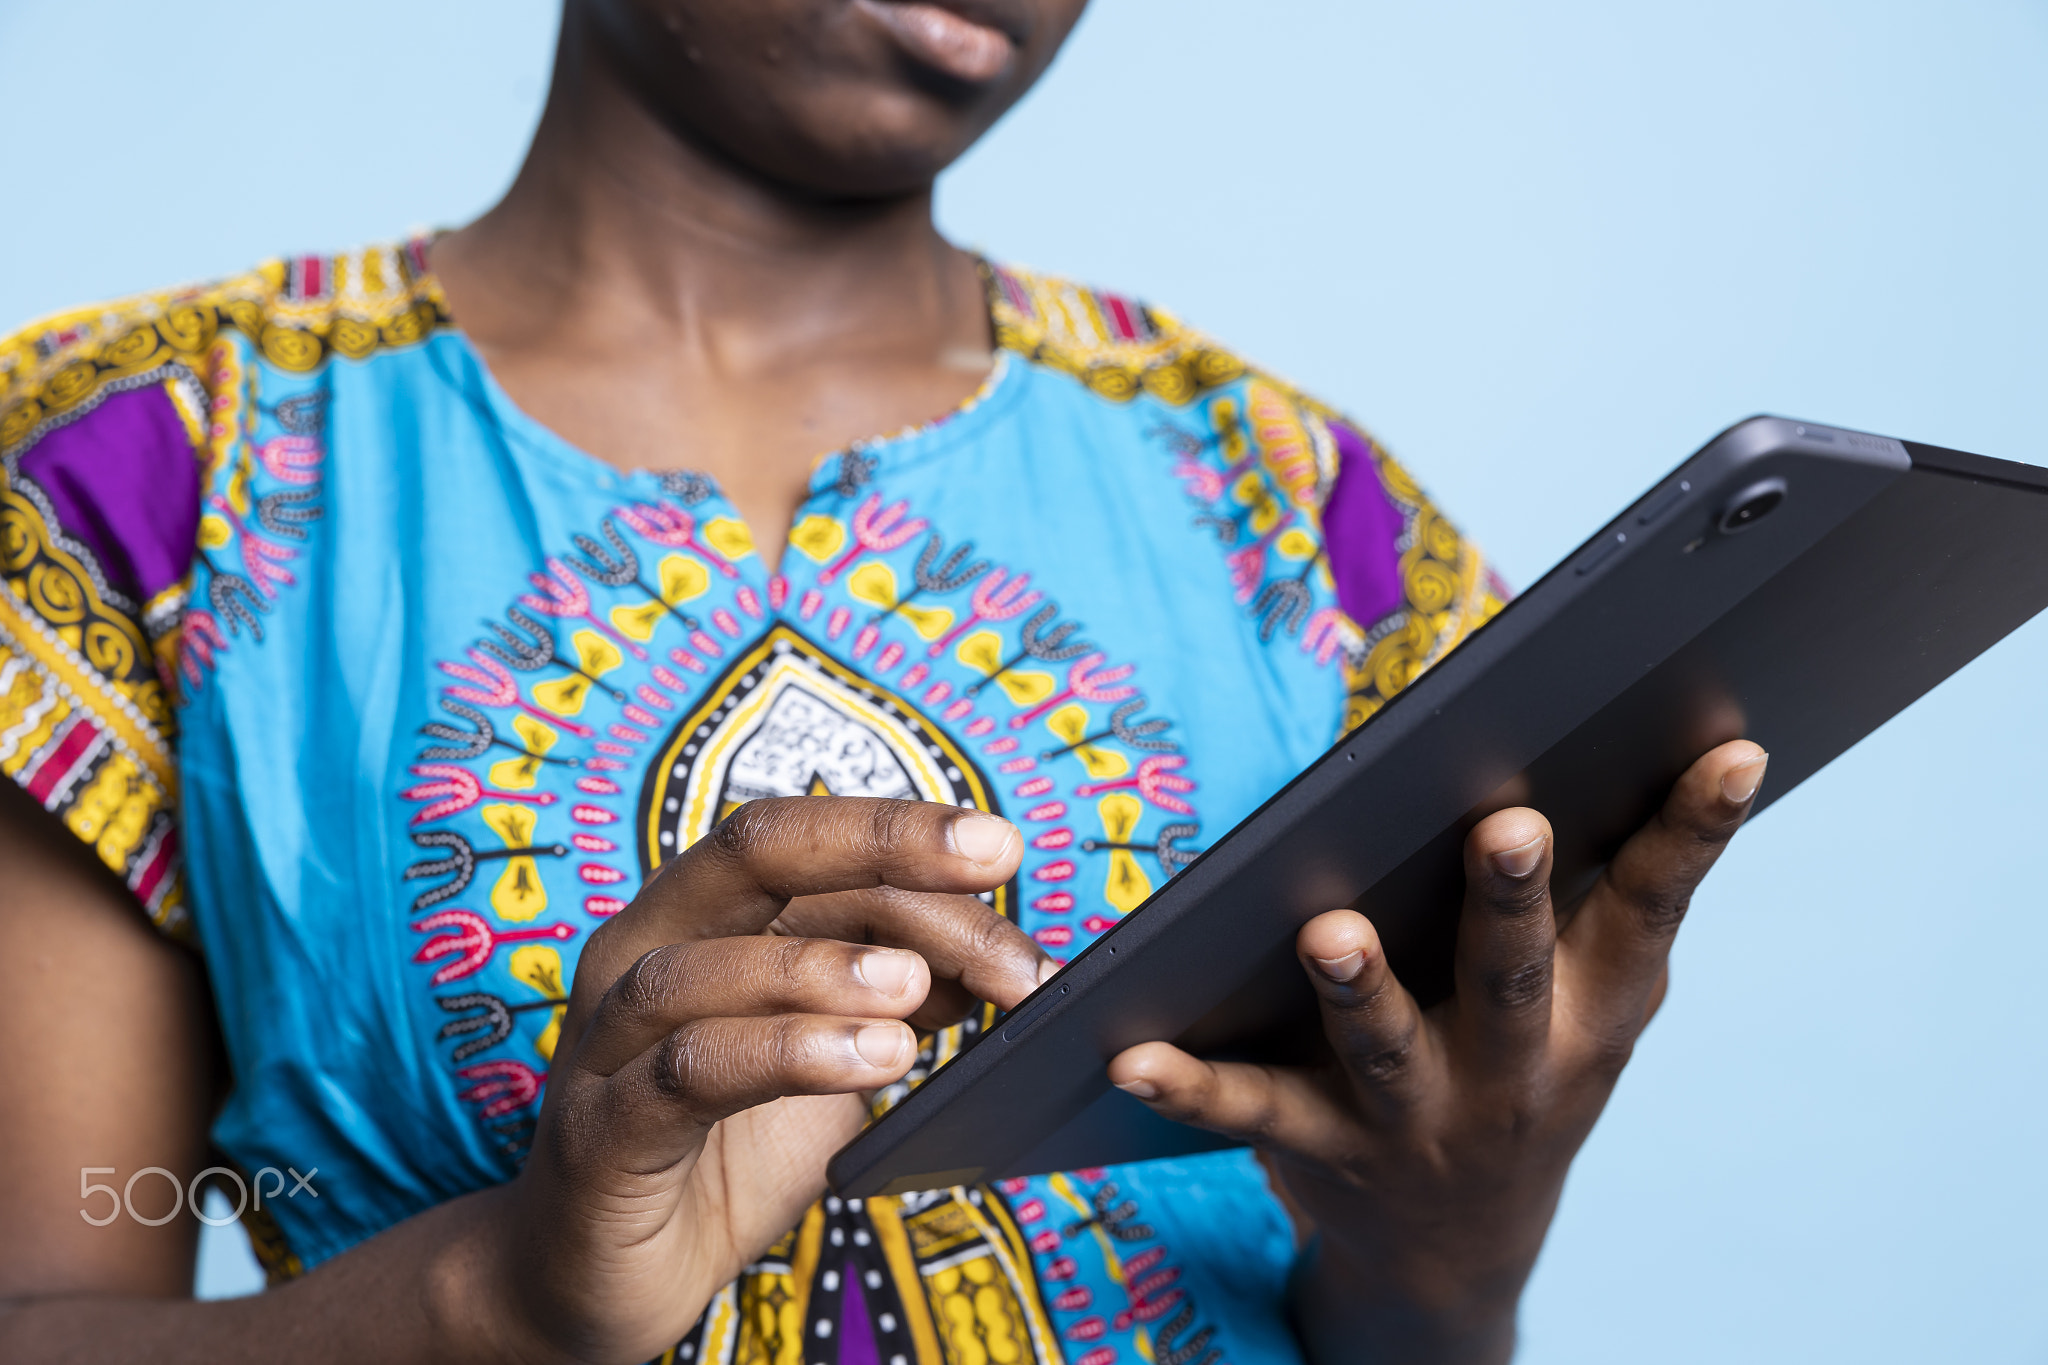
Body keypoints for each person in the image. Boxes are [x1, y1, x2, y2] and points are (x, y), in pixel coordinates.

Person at [0, 2, 1768, 1361]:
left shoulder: (1296, 511)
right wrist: (503, 1300)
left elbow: (1391, 1329)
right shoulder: (132, 477)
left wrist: (1449, 1252)